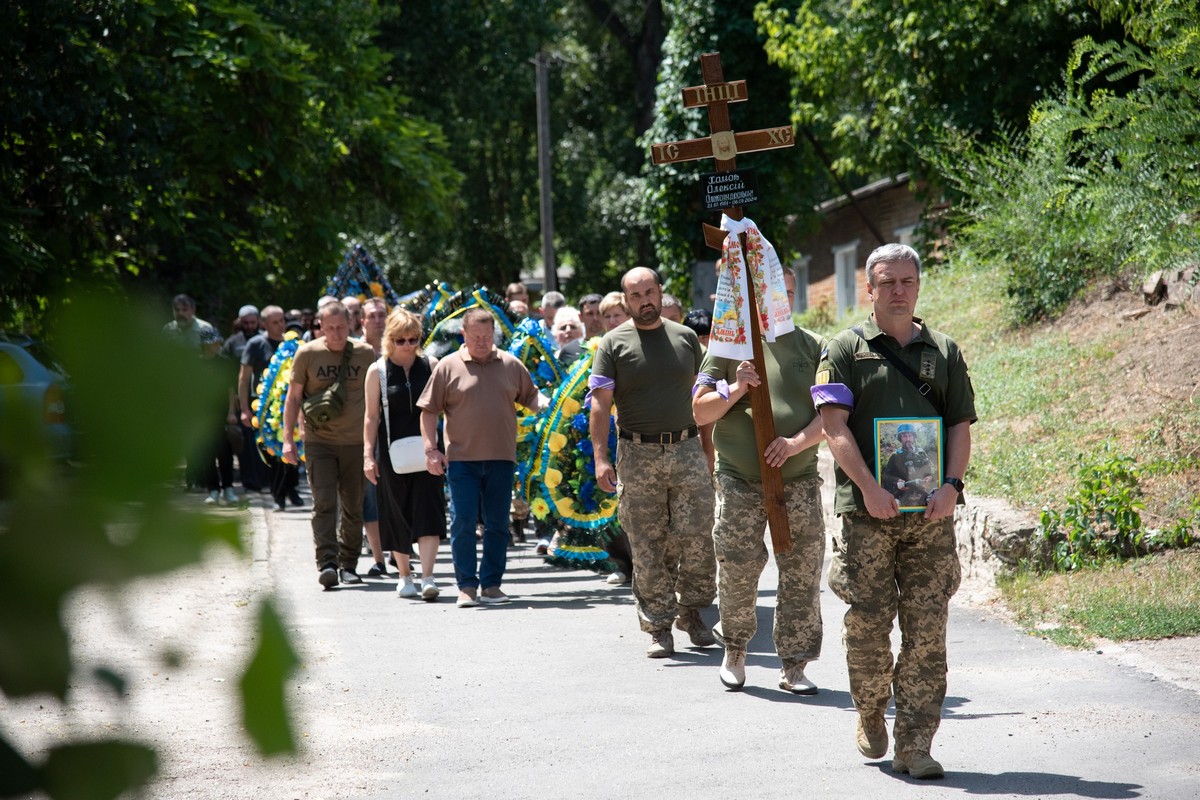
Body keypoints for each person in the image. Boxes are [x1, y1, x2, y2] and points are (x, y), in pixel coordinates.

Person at [812, 243, 976, 779]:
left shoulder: (945, 352)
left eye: (907, 281)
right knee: (867, 626)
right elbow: (833, 428)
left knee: (927, 631)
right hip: (868, 517)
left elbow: (958, 425)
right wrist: (867, 488)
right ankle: (868, 708)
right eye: (887, 282)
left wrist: (952, 484)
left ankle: (915, 745)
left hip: (931, 516)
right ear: (870, 288)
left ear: (919, 285)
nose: (898, 290)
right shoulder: (843, 350)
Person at [693, 268, 826, 693]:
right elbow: (700, 411)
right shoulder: (728, 346)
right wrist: (736, 388)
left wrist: (794, 443)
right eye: (774, 293)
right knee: (737, 566)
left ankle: (795, 664)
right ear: (758, 296)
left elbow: (832, 416)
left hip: (799, 479)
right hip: (739, 480)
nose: (780, 301)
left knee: (802, 571)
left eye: (788, 292)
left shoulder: (813, 347)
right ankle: (735, 649)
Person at [588, 267, 717, 658]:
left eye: (649, 291)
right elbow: (599, 403)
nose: (644, 299)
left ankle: (692, 612)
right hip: (637, 453)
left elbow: (704, 399)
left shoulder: (686, 340)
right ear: (626, 301)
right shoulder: (613, 344)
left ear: (661, 293)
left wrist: (708, 450)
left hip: (687, 448)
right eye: (635, 294)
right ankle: (659, 626)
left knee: (697, 536)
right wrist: (600, 457)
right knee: (647, 543)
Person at [418, 308, 544, 608]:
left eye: (487, 337)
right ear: (464, 335)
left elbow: (531, 397)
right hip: (461, 460)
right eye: (476, 337)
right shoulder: (448, 367)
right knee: (462, 522)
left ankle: (491, 584)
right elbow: (428, 410)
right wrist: (430, 449)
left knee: (498, 523)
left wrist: (552, 405)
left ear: (494, 336)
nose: (482, 342)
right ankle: (466, 586)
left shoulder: (511, 365)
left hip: (502, 458)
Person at [281, 301, 377, 590]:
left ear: (350, 324)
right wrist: (289, 438)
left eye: (341, 327)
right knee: (324, 503)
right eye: (330, 327)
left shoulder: (365, 353)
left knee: (353, 506)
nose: (336, 333)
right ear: (320, 327)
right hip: (319, 441)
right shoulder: (307, 353)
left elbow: (375, 399)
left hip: (356, 442)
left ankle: (348, 564)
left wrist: (375, 446)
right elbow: (293, 397)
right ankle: (327, 563)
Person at [364, 309, 445, 600]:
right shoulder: (378, 371)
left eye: (413, 339)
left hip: (429, 451)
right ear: (390, 339)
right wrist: (367, 456)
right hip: (391, 453)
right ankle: (404, 575)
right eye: (401, 340)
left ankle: (428, 577)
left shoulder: (431, 365)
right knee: (396, 513)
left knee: (429, 512)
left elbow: (443, 409)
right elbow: (371, 417)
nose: (408, 345)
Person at [239, 306, 302, 511]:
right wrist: (243, 409)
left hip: (291, 405)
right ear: (263, 324)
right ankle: (279, 495)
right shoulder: (256, 344)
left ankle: (291, 488)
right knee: (274, 454)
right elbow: (244, 377)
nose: (281, 325)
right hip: (265, 408)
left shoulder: (292, 344)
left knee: (294, 448)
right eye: (275, 322)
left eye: (282, 320)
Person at [358, 297, 390, 577]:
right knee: (371, 494)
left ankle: (398, 551)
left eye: (382, 315)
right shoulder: (356, 351)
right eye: (373, 316)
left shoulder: (400, 349)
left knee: (396, 493)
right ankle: (378, 556)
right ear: (363, 321)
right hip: (366, 429)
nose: (378, 320)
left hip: (395, 433)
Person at [881, 423, 936, 507]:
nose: (908, 439)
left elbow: (930, 471)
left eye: (910, 436)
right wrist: (897, 481)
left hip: (923, 493)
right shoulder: (895, 455)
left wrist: (930, 477)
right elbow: (886, 476)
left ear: (914, 437)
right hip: (903, 495)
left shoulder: (921, 452)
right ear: (900, 438)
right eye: (905, 436)